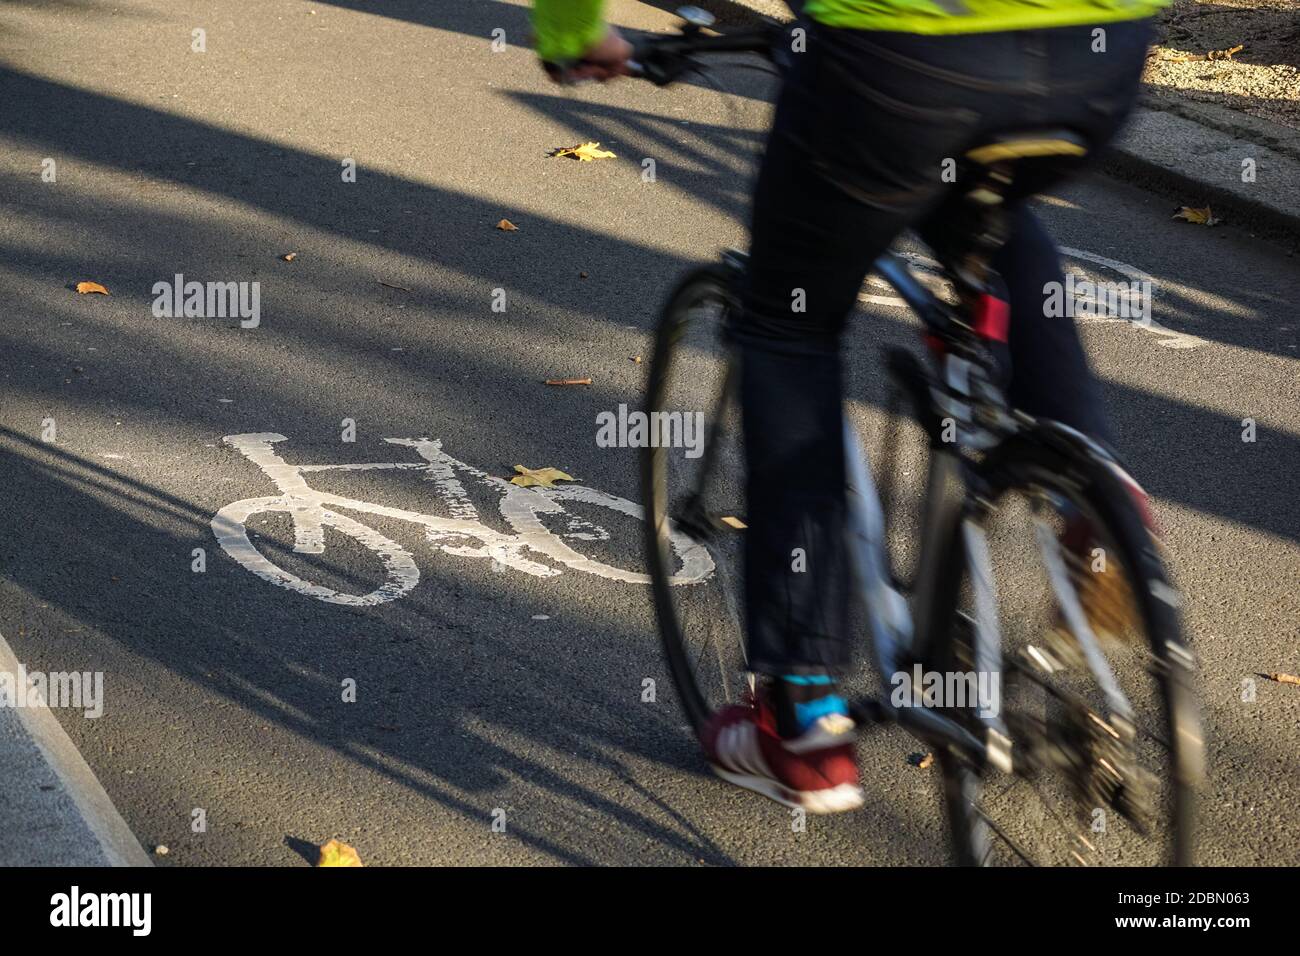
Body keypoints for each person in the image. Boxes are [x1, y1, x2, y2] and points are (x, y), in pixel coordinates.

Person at [530, 0, 1163, 812]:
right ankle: (1098, 495)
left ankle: (802, 719)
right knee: (998, 218)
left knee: (786, 324)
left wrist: (571, 31)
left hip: (901, 48)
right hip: (1098, 55)